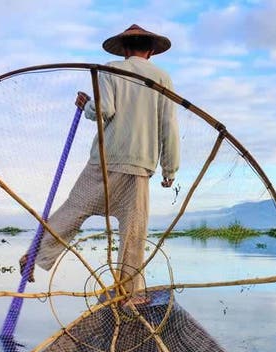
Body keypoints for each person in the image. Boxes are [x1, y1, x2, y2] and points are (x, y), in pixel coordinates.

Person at [21, 24, 179, 304]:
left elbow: (104, 110)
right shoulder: (162, 77)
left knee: (74, 208)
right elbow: (168, 125)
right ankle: (129, 293)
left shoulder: (111, 69)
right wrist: (170, 168)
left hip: (106, 159)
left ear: (125, 50)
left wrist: (88, 105)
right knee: (133, 229)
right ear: (151, 52)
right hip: (140, 164)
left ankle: (36, 254)